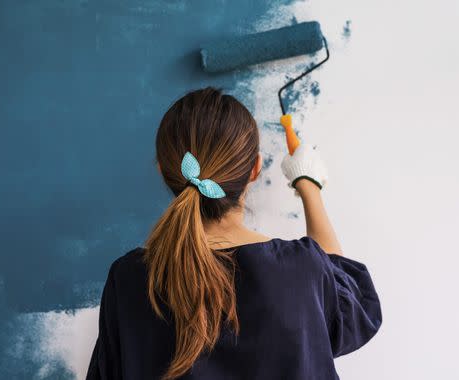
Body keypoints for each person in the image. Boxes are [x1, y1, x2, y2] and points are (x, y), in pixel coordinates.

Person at [86, 87, 382, 380]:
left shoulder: (128, 280)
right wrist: (309, 185)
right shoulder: (300, 269)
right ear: (255, 168)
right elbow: (351, 308)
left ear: (164, 170)